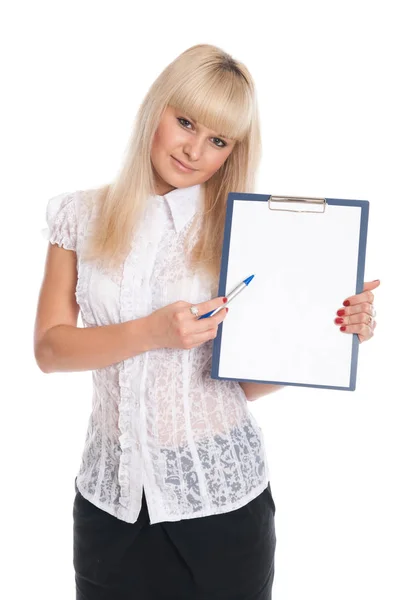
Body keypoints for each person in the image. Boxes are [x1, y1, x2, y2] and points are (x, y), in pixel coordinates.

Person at [34, 44, 379, 600]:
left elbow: (242, 383)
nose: (194, 150)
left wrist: (325, 332)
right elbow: (50, 350)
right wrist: (150, 331)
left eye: (217, 140)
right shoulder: (78, 216)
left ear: (232, 151)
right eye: (185, 122)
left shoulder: (243, 234)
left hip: (222, 505)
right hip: (109, 506)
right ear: (157, 109)